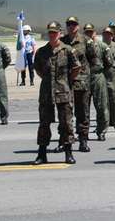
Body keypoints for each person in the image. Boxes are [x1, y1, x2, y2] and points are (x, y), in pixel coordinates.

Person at [33, 22, 80, 165]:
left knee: (66, 123)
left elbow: (76, 68)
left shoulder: (68, 50)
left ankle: (68, 153)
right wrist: (48, 81)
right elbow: (38, 69)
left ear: (60, 33)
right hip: (46, 92)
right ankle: (42, 154)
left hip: (63, 91)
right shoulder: (42, 52)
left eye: (55, 32)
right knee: (44, 123)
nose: (52, 35)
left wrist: (65, 82)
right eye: (50, 32)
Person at [61, 16, 92, 152]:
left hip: (82, 83)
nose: (71, 27)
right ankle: (65, 141)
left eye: (74, 24)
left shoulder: (85, 41)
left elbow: (94, 61)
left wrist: (87, 76)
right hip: (66, 83)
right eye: (69, 24)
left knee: (82, 113)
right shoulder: (62, 42)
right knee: (65, 114)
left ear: (78, 26)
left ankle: (83, 141)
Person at [83, 23, 112, 143]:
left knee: (101, 105)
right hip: (84, 78)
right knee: (83, 107)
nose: (89, 34)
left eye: (91, 32)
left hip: (97, 76)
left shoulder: (102, 46)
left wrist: (99, 72)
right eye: (87, 32)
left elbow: (108, 63)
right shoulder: (81, 46)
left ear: (94, 33)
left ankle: (101, 131)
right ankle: (84, 133)